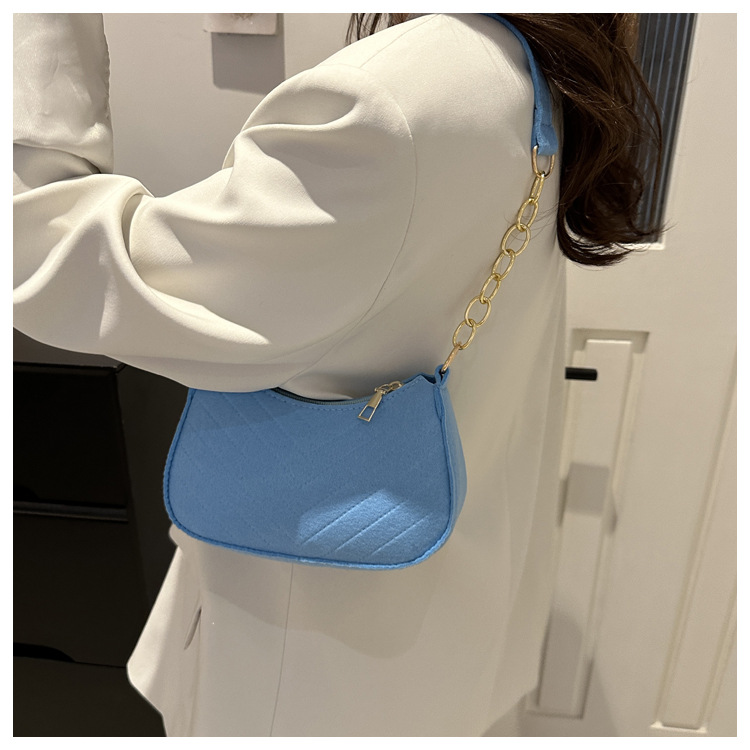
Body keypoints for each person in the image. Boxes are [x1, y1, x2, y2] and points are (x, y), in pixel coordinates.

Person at [13, 13, 661, 737]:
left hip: (311, 651)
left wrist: (41, 27)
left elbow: (53, 260)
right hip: (435, 617)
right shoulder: (526, 69)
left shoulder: (388, 102)